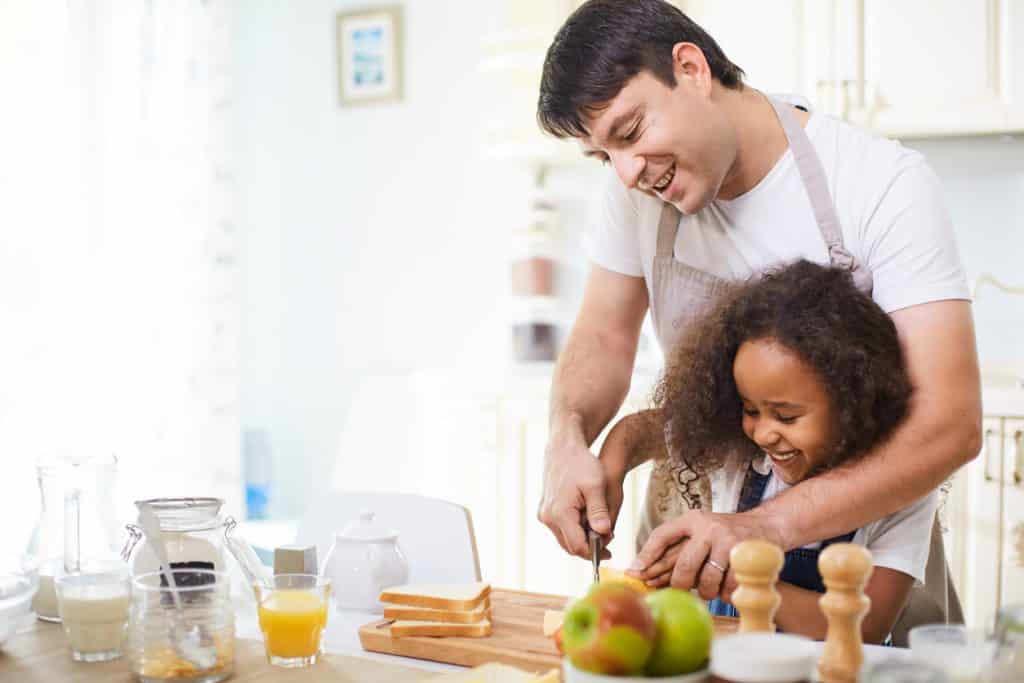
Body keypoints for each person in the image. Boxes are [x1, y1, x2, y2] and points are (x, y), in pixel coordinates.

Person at [534, 0, 980, 631]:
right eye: (604, 155)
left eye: (631, 133)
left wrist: (761, 529)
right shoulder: (633, 190)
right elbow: (604, 337)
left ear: (690, 69)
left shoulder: (882, 184)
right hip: (694, 529)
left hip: (852, 552)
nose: (627, 175)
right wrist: (566, 439)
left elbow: (950, 425)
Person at [599, 260, 929, 643]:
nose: (763, 433)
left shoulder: (902, 493)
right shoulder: (742, 454)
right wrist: (610, 469)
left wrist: (738, 578)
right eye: (750, 409)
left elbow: (866, 628)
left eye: (786, 416)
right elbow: (639, 430)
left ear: (854, 404)